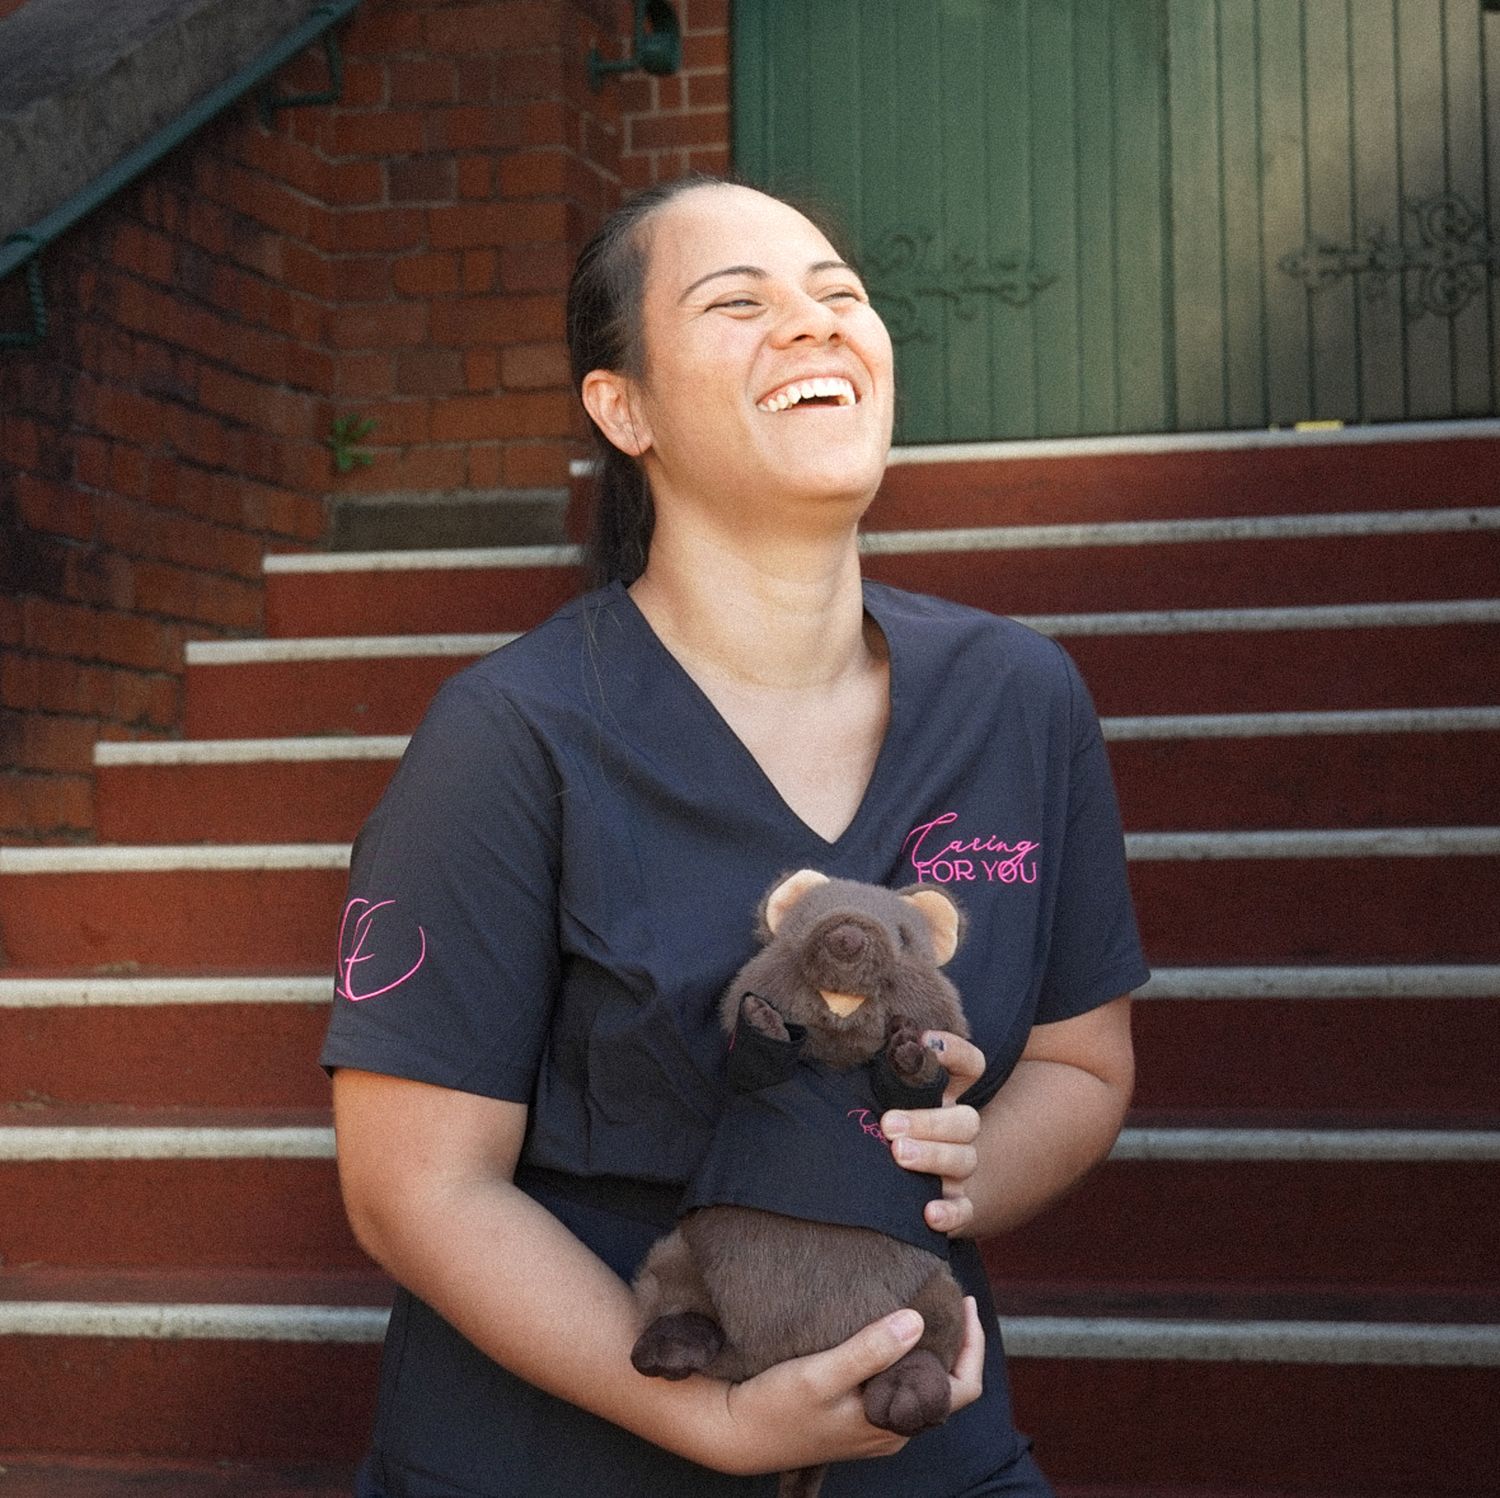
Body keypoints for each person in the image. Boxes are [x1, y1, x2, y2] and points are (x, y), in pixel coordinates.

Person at [321, 174, 1148, 1497]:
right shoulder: (505, 735)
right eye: (739, 302)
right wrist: (717, 1423)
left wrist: (956, 1172)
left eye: (840, 297)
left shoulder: (1020, 698)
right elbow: (415, 1185)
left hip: (918, 1439)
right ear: (623, 405)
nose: (814, 325)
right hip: (562, 1450)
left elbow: (1082, 1064)